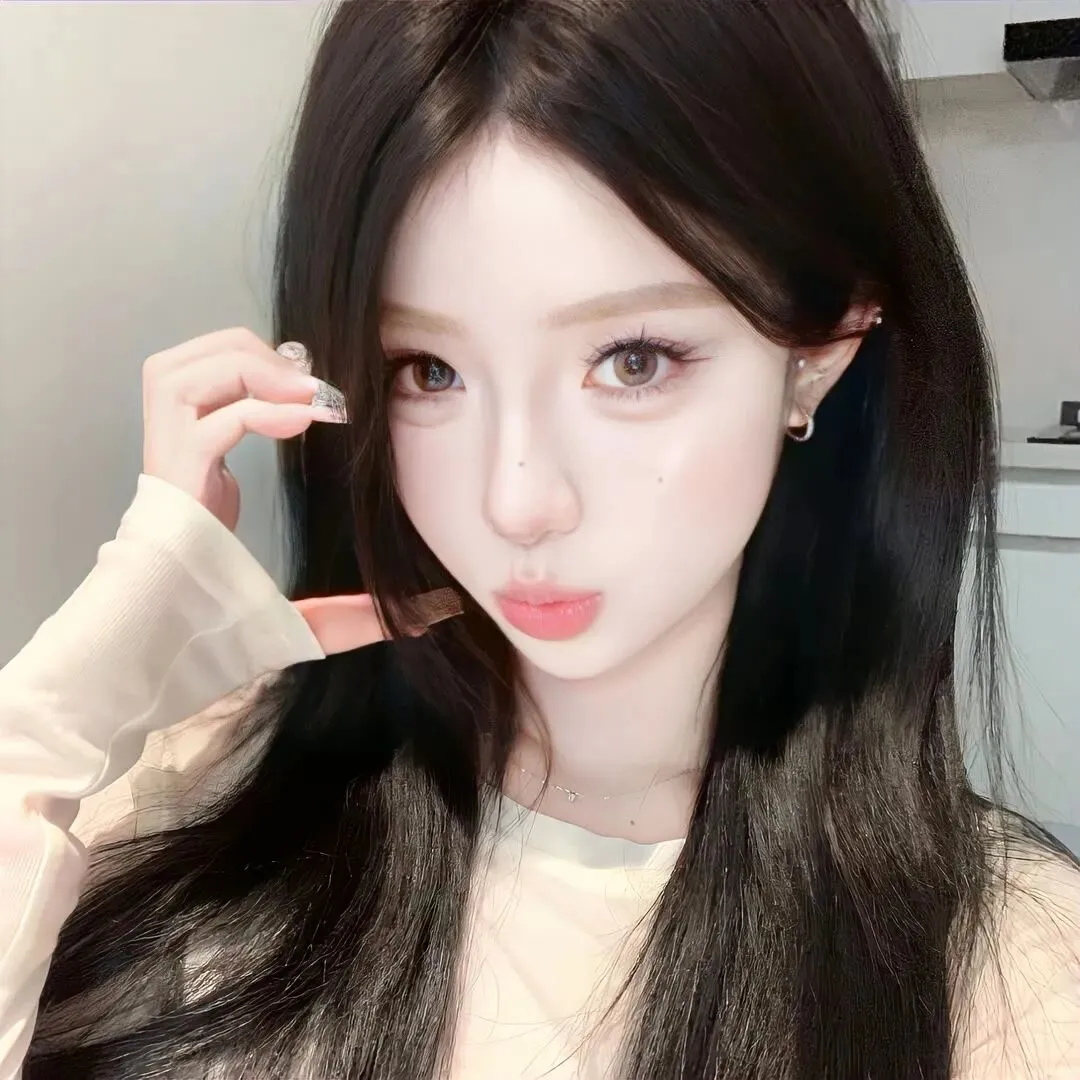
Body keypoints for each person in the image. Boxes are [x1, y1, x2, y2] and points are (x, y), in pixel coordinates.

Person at [2, 0, 1079, 1076]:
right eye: (429, 371)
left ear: (819, 353)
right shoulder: (211, 777)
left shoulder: (1008, 979)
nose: (516, 500)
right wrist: (51, 717)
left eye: (633, 360)